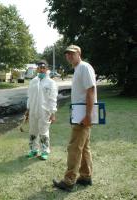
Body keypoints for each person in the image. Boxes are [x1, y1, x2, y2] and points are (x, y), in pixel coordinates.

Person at [53, 45, 97, 191]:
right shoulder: (78, 69)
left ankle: (69, 181)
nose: (69, 56)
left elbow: (90, 91)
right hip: (79, 113)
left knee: (74, 148)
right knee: (83, 147)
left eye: (72, 53)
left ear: (79, 54)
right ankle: (85, 177)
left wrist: (88, 115)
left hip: (83, 115)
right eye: (67, 54)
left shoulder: (84, 67)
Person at [25, 61, 58, 160]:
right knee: (33, 131)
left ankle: (44, 151)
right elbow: (29, 97)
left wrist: (53, 113)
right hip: (33, 111)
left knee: (43, 132)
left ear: (47, 69)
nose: (42, 69)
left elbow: (53, 98)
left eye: (44, 67)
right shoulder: (33, 82)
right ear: (37, 69)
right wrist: (28, 110)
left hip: (45, 112)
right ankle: (33, 150)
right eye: (40, 67)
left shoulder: (51, 83)